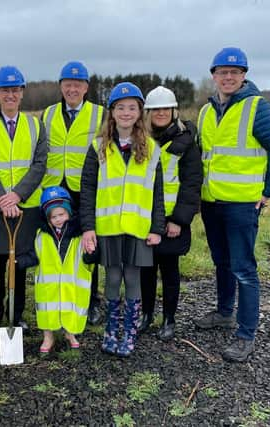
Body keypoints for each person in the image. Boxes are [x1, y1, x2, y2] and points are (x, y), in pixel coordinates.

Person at [194, 47, 270, 362]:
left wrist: (268, 192)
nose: (228, 77)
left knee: (244, 269)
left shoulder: (257, 108)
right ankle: (225, 312)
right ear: (214, 76)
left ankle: (246, 333)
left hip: (242, 205)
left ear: (243, 76)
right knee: (221, 262)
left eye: (234, 73)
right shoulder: (206, 112)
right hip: (212, 202)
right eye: (222, 72)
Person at [80, 82, 166, 357]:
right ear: (112, 113)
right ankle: (111, 330)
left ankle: (129, 332)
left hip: (138, 229)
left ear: (140, 113)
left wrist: (157, 228)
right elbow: (88, 190)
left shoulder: (152, 149)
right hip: (109, 227)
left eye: (132, 108)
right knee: (112, 277)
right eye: (120, 108)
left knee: (133, 277)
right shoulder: (98, 148)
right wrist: (88, 228)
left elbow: (157, 193)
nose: (126, 113)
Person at [0, 65, 47, 334]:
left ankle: (17, 315)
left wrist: (18, 195)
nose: (10, 95)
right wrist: (3, 199)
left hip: (25, 205)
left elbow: (39, 164)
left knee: (20, 265)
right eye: (5, 90)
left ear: (22, 93)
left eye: (15, 90)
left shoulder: (36, 125)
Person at [41, 61, 105, 325]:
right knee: (56, 247)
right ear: (61, 86)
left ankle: (91, 301)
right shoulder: (48, 114)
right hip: (55, 190)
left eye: (78, 84)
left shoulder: (100, 114)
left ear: (86, 87)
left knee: (87, 245)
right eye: (68, 84)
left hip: (85, 190)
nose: (72, 89)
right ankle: (57, 299)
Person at [138, 86, 203, 341]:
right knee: (145, 269)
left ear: (174, 110)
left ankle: (169, 319)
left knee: (169, 270)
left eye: (165, 108)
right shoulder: (140, 140)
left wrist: (179, 220)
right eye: (156, 109)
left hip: (172, 220)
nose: (161, 113)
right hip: (144, 217)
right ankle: (146, 315)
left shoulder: (186, 141)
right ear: (148, 113)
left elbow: (192, 182)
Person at [16, 186, 96, 353]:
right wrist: (20, 261)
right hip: (49, 287)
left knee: (70, 309)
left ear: (69, 213)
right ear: (47, 218)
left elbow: (88, 259)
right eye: (54, 216)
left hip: (71, 285)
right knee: (47, 310)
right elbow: (35, 254)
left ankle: (70, 333)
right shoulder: (41, 235)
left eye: (62, 214)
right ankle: (48, 336)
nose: (59, 219)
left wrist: (91, 253)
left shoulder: (78, 235)